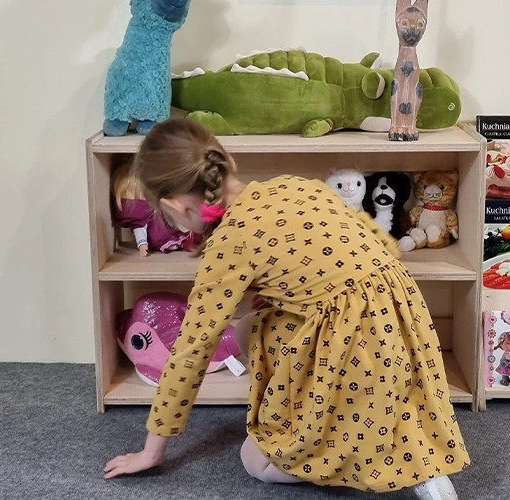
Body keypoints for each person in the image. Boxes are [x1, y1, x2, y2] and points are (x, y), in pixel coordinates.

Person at [102, 119, 468, 499]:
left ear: (173, 205)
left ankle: (360, 453)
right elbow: (382, 248)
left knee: (256, 460)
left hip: (353, 348)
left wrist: (151, 451)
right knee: (254, 325)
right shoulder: (297, 185)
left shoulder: (228, 243)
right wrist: (294, 292)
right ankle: (390, 441)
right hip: (404, 327)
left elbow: (191, 349)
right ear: (227, 160)